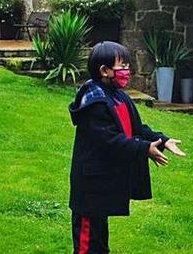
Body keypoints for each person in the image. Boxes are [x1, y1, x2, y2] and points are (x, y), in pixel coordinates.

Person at [68, 41, 186, 254]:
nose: (127, 71)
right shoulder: (94, 102)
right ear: (104, 70)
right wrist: (144, 149)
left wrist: (163, 140)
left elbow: (136, 129)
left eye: (127, 66)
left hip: (101, 184)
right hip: (90, 187)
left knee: (100, 243)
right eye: (122, 66)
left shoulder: (117, 95)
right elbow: (111, 141)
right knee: (87, 244)